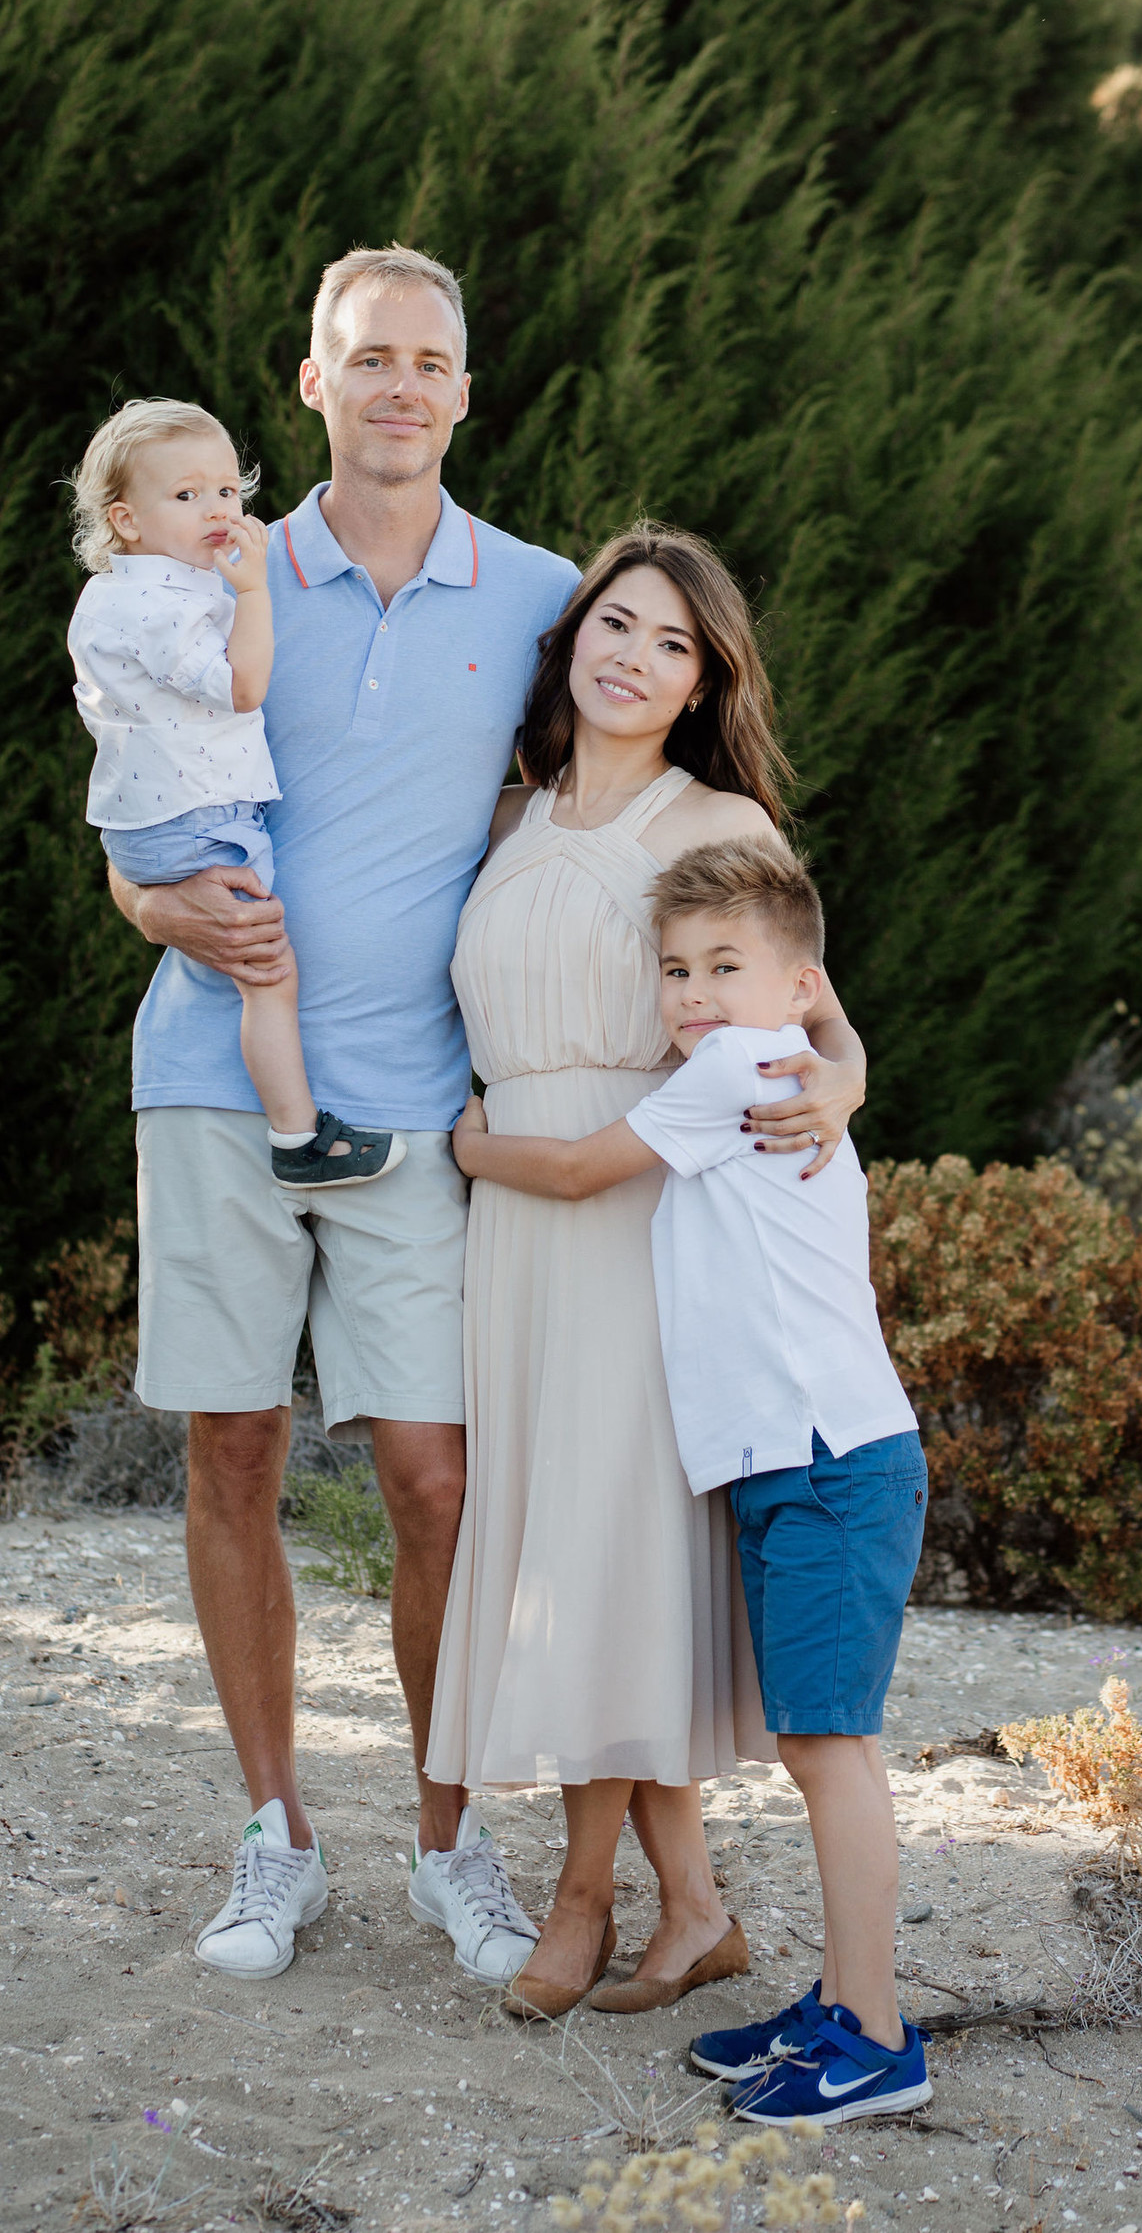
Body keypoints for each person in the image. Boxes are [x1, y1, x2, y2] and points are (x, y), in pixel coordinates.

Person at [101, 251, 857, 1986]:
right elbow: (136, 804)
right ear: (311, 383)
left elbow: (683, 835)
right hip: (214, 1081)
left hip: (422, 1112)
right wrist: (159, 916)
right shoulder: (215, 567)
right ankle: (277, 1838)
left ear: (464, 394)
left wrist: (845, 1065)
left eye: (428, 363)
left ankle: (450, 1841)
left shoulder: (534, 601)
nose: (398, 390)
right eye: (367, 360)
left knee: (439, 1484)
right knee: (233, 1452)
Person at [427, 526, 871, 2023]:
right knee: (565, 1548)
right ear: (570, 643)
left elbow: (813, 1013)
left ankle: (579, 1901)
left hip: (635, 1204)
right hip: (513, 1237)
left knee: (608, 1553)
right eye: (614, 624)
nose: (635, 656)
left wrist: (848, 1089)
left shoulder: (717, 817)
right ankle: (695, 1908)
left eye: (674, 643)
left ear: (702, 681)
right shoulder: (507, 819)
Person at [451, 833, 930, 2115]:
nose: (694, 994)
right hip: (797, 1465)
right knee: (814, 1742)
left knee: (832, 1751)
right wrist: (844, 1050)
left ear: (801, 984)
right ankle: (838, 1999)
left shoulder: (735, 1067)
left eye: (726, 964)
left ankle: (875, 2038)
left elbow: (571, 1170)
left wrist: (471, 1142)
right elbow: (824, 1046)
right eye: (674, 969)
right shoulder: (781, 1060)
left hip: (828, 1461)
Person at [67, 396, 403, 1188]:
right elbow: (244, 686)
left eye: (226, 490)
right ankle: (298, 1137)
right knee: (268, 974)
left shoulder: (112, 596)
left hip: (146, 818)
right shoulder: (168, 604)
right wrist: (253, 594)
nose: (217, 510)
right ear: (126, 520)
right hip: (202, 819)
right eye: (185, 497)